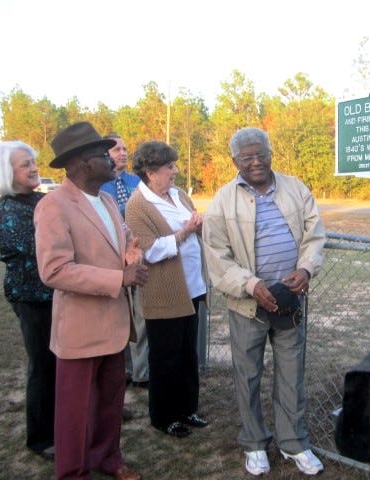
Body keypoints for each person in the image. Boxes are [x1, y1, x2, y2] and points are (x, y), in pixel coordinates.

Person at [202, 127, 326, 476]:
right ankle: (255, 443)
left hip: (289, 302)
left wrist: (305, 269)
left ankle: (294, 443)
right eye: (247, 157)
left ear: (271, 153)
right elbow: (217, 256)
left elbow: (314, 234)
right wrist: (251, 284)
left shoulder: (295, 188)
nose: (256, 162)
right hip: (247, 305)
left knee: (291, 375)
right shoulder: (222, 201)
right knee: (248, 375)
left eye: (262, 154)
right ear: (235, 161)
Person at [34, 121, 148, 480]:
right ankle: (72, 472)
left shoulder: (109, 199)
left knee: (110, 402)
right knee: (74, 411)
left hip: (114, 324)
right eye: (104, 153)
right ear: (84, 162)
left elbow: (124, 238)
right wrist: (120, 278)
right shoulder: (54, 206)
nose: (113, 158)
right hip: (80, 329)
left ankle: (107, 458)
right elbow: (54, 270)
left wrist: (131, 254)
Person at [125, 140, 209, 439]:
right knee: (165, 358)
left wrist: (197, 225)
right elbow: (151, 251)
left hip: (193, 288)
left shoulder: (179, 194)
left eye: (173, 165)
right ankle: (164, 416)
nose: (175, 171)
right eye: (169, 167)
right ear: (150, 172)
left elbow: (193, 224)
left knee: (188, 354)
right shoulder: (138, 206)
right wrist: (186, 231)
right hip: (164, 292)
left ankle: (188, 409)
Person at [0, 141, 56, 461]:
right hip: (32, 299)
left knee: (60, 365)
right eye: (24, 164)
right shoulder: (8, 210)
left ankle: (67, 422)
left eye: (32, 162)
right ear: (6, 173)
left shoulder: (40, 199)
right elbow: (41, 249)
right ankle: (41, 439)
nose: (33, 167)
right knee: (42, 366)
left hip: (56, 295)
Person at [100, 133, 148, 389]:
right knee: (119, 317)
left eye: (125, 148)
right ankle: (123, 368)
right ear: (104, 154)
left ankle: (141, 372)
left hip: (137, 255)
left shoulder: (137, 181)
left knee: (139, 316)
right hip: (110, 260)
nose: (123, 153)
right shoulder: (99, 185)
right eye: (117, 149)